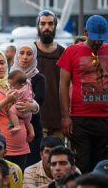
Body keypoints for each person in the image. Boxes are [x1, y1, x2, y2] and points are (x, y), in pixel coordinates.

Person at [57, 15, 108, 173]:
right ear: (86, 33)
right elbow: (63, 85)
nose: (98, 42)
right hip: (80, 120)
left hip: (106, 120)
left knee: (104, 168)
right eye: (94, 39)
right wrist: (66, 117)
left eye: (101, 39)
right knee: (82, 167)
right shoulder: (72, 51)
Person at [9, 43, 46, 167]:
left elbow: (40, 100)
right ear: (17, 55)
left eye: (29, 54)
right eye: (21, 53)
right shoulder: (9, 76)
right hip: (11, 132)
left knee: (31, 166)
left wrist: (32, 106)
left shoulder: (39, 78)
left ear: (34, 56)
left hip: (33, 127)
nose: (24, 57)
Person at [34, 10, 65, 139]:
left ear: (55, 26)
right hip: (36, 119)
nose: (47, 27)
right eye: (43, 23)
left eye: (50, 24)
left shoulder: (63, 52)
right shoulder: (29, 52)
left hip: (59, 121)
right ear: (38, 26)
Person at [7, 70, 35, 139]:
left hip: (21, 108)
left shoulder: (20, 91)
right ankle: (31, 133)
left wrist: (8, 94)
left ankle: (16, 125)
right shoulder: (28, 84)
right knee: (28, 122)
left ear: (21, 84)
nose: (10, 87)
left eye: (13, 85)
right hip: (29, 112)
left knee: (11, 111)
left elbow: (12, 97)